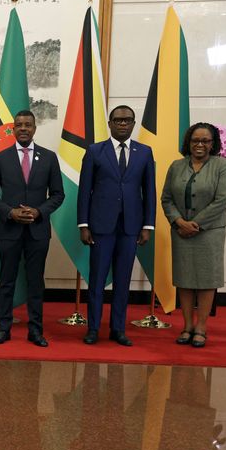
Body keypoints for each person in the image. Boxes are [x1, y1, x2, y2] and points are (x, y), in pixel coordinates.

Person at [0, 110, 64, 347]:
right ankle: (4, 329)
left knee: (35, 282)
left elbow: (58, 195)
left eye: (27, 125)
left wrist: (39, 211)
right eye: (18, 125)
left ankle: (36, 331)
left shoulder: (49, 158)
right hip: (9, 230)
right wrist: (10, 212)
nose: (23, 129)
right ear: (13, 129)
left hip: (38, 231)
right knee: (6, 281)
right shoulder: (1, 158)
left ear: (35, 128)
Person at [78, 105, 156, 346]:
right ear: (110, 123)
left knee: (123, 281)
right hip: (101, 226)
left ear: (133, 124)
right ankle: (93, 329)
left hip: (130, 227)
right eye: (118, 120)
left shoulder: (144, 152)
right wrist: (84, 224)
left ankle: (118, 329)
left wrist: (147, 226)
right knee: (98, 279)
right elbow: (84, 191)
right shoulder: (94, 151)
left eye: (128, 120)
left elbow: (149, 191)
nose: (123, 124)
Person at [161, 123, 226, 348]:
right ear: (188, 143)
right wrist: (179, 222)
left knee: (206, 279)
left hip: (209, 232)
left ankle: (201, 327)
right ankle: (187, 326)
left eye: (205, 141)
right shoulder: (176, 166)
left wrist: (195, 224)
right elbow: (167, 198)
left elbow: (222, 200)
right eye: (195, 140)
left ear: (213, 144)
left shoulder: (221, 165)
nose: (200, 145)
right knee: (185, 278)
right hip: (181, 231)